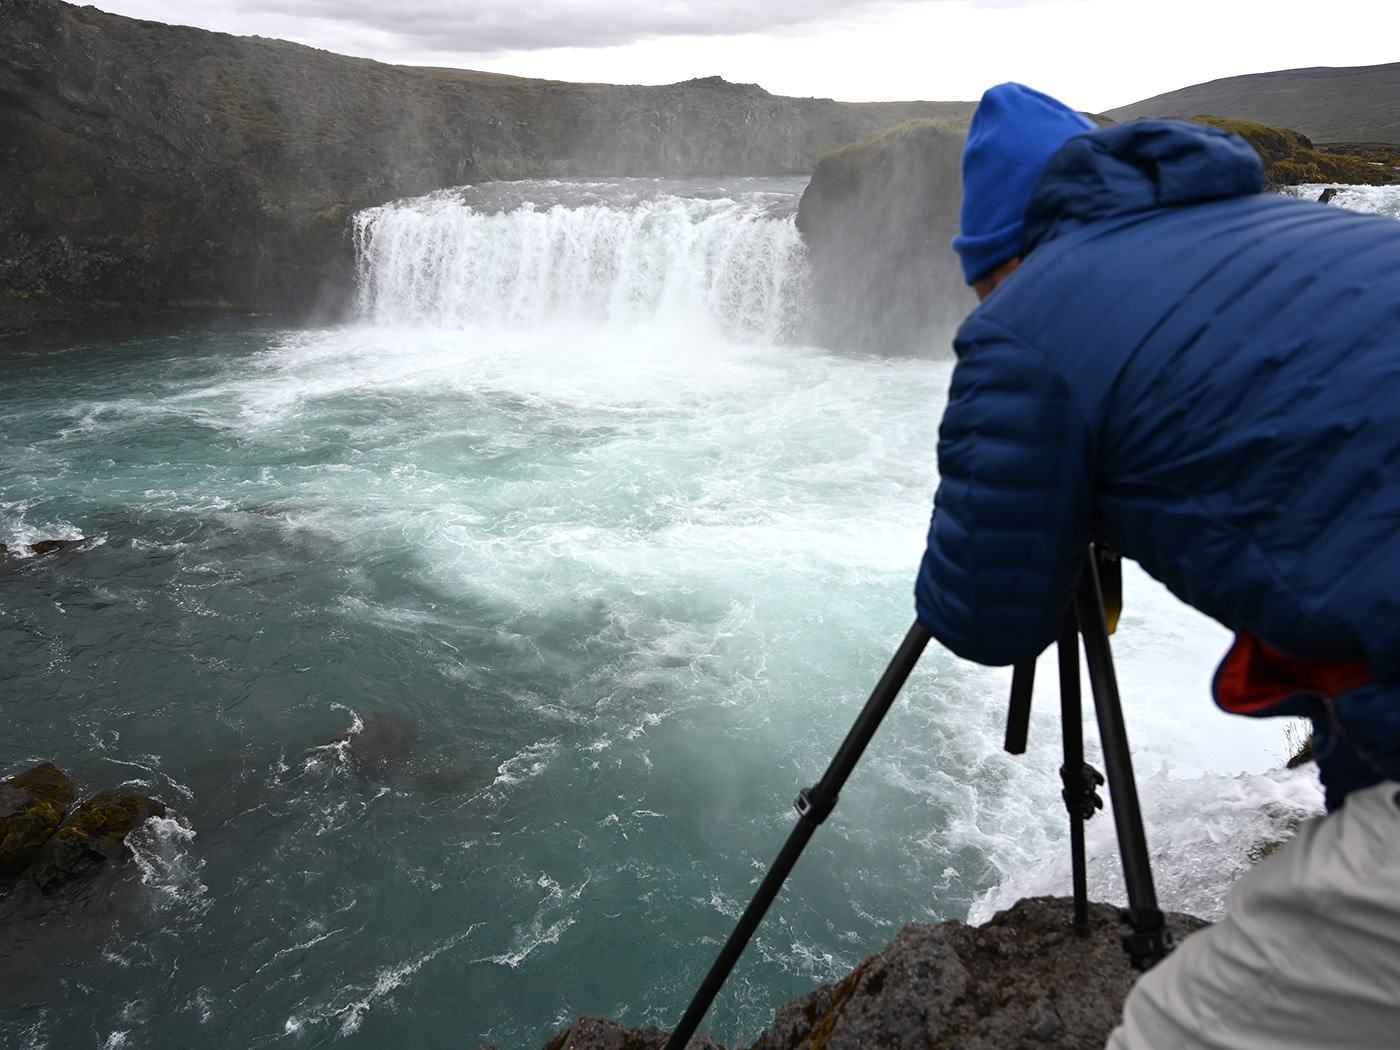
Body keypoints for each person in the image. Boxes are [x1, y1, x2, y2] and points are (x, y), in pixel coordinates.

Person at [915, 82, 1400, 1049]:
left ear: (1001, 257)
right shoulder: (1299, 237)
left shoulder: (1030, 316)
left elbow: (983, 616)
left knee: (1177, 1030)